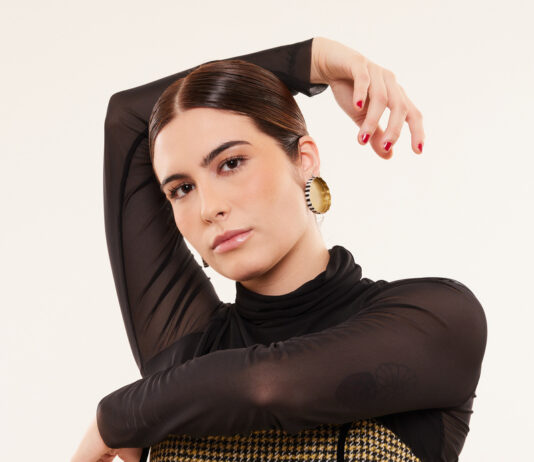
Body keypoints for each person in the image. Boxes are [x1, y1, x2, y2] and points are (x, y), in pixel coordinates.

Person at [71, 37, 487, 462]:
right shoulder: (186, 344)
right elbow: (129, 118)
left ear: (304, 159)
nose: (209, 208)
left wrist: (116, 415)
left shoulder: (436, 319)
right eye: (182, 189)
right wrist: (315, 62)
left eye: (231, 163)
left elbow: (266, 387)